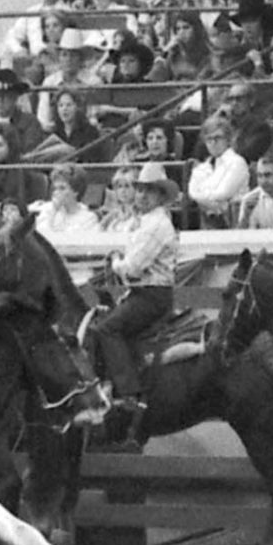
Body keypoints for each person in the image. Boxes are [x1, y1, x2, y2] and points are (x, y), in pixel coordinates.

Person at [87, 158, 180, 427]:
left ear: (160, 195)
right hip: (145, 293)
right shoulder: (144, 222)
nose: (141, 195)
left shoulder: (155, 225)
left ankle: (130, 393)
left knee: (106, 328)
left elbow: (134, 268)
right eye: (139, 189)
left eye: (148, 190)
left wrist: (116, 261)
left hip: (152, 295)